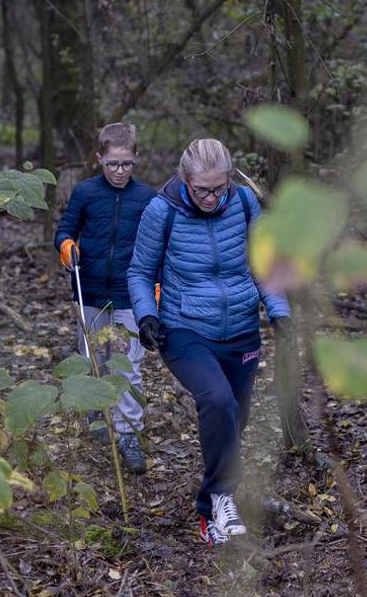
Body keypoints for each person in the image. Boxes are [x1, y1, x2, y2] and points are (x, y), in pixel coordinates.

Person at [127, 138, 289, 546]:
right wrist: (147, 315)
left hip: (241, 328)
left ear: (230, 180)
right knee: (217, 400)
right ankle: (220, 500)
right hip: (184, 329)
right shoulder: (161, 210)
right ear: (185, 180)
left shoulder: (245, 204)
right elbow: (140, 272)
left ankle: (211, 508)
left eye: (220, 189)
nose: (212, 198)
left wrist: (279, 311)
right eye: (202, 190)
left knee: (235, 420)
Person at [54, 123, 157, 474]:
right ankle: (95, 411)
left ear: (136, 159)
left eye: (126, 164)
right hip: (91, 290)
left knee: (128, 366)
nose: (119, 171)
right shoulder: (85, 193)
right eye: (112, 164)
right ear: (98, 158)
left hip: (131, 295)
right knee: (93, 358)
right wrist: (67, 247)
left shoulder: (147, 198)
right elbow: (65, 230)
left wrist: (155, 285)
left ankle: (129, 433)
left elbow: (157, 244)